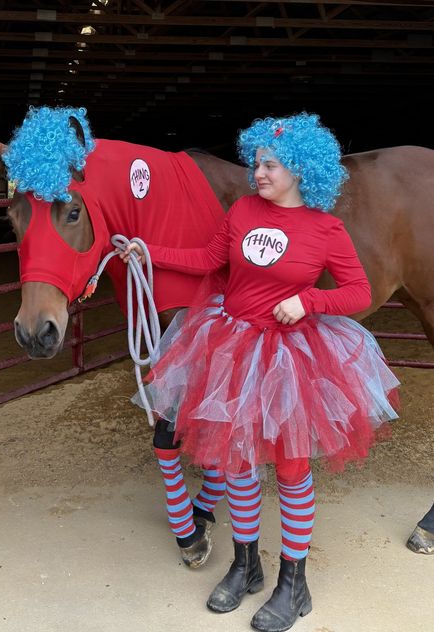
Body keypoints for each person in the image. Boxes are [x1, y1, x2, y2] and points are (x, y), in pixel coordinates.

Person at [121, 112, 400, 632]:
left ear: (299, 169)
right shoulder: (244, 210)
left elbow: (358, 291)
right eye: (257, 162)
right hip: (231, 347)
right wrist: (147, 251)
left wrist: (310, 299)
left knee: (292, 471)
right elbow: (208, 258)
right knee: (239, 465)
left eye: (270, 164)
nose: (259, 172)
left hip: (292, 360)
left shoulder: (326, 228)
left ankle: (293, 585)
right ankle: (244, 566)